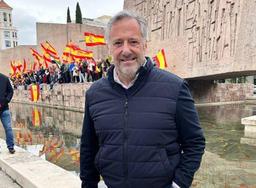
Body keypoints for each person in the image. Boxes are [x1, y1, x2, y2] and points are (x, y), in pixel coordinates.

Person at [80, 10, 205, 188]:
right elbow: (88, 148)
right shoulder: (94, 93)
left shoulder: (175, 88)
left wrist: (179, 184)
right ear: (109, 48)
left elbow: (195, 143)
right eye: (118, 43)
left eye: (133, 41)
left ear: (145, 44)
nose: (126, 50)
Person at [0, 73, 15, 154]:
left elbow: (10, 91)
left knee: (8, 128)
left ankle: (11, 147)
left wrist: (6, 101)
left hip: (4, 108)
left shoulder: (5, 78)